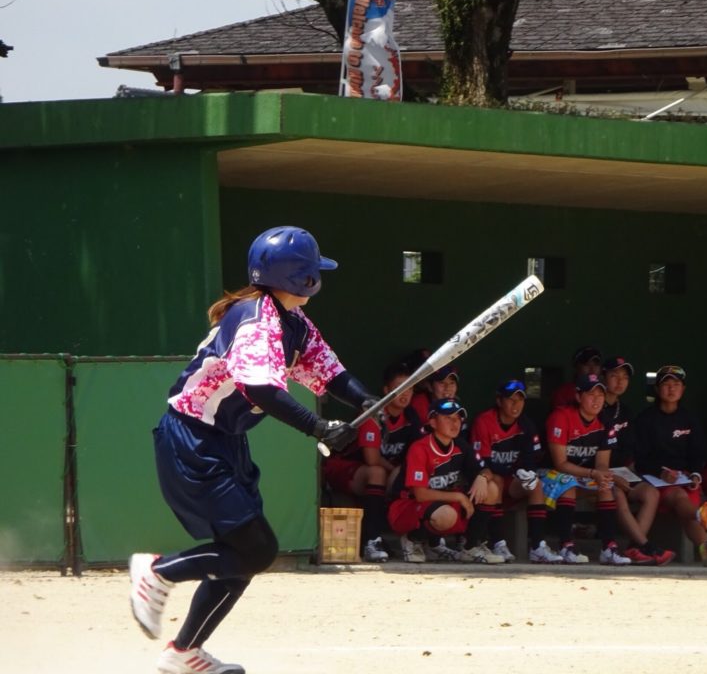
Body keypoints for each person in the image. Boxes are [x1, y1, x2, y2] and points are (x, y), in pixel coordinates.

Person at [129, 226, 376, 674]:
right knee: (255, 550)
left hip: (225, 442)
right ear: (302, 280)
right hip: (193, 439)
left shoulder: (292, 321)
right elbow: (260, 389)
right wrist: (319, 427)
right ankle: (158, 571)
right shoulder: (255, 319)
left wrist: (365, 401)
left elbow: (330, 371)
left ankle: (183, 651)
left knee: (244, 554)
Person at [321, 360, 424, 562]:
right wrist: (397, 471)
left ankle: (421, 541)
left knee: (411, 476)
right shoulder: (373, 412)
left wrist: (401, 473)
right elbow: (372, 458)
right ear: (386, 390)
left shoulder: (411, 417)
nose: (405, 394)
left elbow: (417, 455)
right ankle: (372, 540)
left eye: (410, 388)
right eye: (399, 388)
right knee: (378, 472)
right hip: (343, 468)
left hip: (379, 474)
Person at [387, 397, 505, 564]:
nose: (454, 423)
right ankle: (413, 540)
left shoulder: (460, 445)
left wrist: (482, 477)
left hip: (441, 503)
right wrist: (459, 498)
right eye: (448, 418)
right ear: (433, 422)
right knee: (446, 515)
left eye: (457, 418)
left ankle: (471, 548)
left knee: (491, 488)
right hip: (406, 507)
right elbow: (420, 494)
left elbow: (485, 469)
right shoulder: (419, 447)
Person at [633, 364, 707, 567]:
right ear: (657, 389)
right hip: (656, 482)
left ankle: (704, 547)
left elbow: (699, 453)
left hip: (684, 479)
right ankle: (704, 517)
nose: (671, 388)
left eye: (676, 384)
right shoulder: (646, 419)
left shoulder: (689, 419)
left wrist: (695, 475)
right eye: (666, 384)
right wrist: (661, 471)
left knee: (688, 508)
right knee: (681, 498)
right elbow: (639, 458)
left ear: (683, 389)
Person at [543, 373, 632, 565]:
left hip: (582, 475)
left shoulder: (606, 421)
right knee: (568, 484)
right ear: (578, 396)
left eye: (600, 395)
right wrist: (593, 473)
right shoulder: (561, 416)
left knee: (606, 485)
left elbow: (602, 463)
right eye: (591, 394)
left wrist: (600, 475)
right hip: (548, 474)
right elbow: (560, 464)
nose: (596, 399)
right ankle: (566, 546)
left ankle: (608, 548)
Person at [471, 378, 560, 563]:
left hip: (511, 479)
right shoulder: (484, 421)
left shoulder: (526, 425)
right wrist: (513, 471)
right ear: (499, 401)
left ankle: (538, 547)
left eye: (520, 399)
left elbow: (531, 458)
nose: (516, 404)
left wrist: (527, 473)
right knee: (497, 479)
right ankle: (498, 543)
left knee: (536, 485)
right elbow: (483, 462)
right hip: (486, 479)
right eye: (511, 399)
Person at [600, 356, 676, 566]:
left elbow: (629, 453)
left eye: (624, 377)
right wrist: (614, 477)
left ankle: (634, 548)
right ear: (603, 377)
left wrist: (628, 474)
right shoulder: (594, 405)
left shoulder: (624, 411)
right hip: (595, 474)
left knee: (650, 492)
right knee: (617, 492)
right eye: (614, 375)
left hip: (620, 471)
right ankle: (646, 546)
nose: (620, 381)